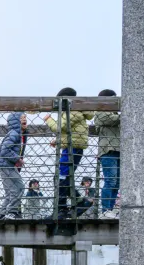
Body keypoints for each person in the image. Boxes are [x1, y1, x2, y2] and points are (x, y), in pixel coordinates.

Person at [45, 87, 95, 219]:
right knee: (65, 176)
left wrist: (48, 119)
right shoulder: (75, 112)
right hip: (72, 147)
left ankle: (63, 209)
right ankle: (78, 202)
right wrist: (58, 141)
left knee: (62, 177)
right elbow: (70, 132)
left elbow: (60, 127)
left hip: (72, 148)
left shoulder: (73, 111)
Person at [0, 112, 28, 219]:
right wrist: (18, 159)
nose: (24, 119)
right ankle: (11, 212)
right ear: (16, 122)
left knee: (10, 191)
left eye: (25, 117)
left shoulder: (18, 134)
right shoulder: (15, 134)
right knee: (19, 187)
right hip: (7, 164)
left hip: (4, 164)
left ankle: (2, 214)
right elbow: (5, 150)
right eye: (22, 118)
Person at [95, 89, 121, 219]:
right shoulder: (100, 112)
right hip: (108, 150)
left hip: (118, 150)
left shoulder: (114, 113)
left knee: (116, 182)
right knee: (110, 181)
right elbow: (110, 119)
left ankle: (110, 209)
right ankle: (105, 210)